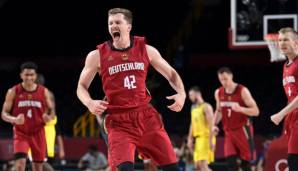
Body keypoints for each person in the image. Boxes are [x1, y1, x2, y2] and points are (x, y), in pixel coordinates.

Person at [76, 8, 186, 171]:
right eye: (110, 23)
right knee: (125, 168)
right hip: (119, 122)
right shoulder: (96, 55)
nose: (113, 26)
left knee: (173, 168)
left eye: (118, 22)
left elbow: (171, 74)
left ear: (128, 26)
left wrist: (182, 94)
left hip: (146, 117)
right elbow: (81, 87)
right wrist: (89, 102)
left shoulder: (147, 50)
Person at [1, 61, 55, 171]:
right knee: (20, 165)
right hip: (21, 133)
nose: (29, 77)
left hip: (38, 134)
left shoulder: (44, 92)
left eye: (31, 75)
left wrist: (49, 116)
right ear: (21, 75)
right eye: (26, 74)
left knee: (38, 168)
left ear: (35, 76)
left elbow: (52, 111)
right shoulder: (13, 91)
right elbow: (4, 113)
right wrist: (14, 119)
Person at [213, 67, 259, 171]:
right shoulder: (218, 92)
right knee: (231, 164)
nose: (224, 82)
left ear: (231, 76)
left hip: (243, 130)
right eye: (221, 79)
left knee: (246, 165)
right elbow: (219, 111)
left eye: (225, 79)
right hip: (228, 132)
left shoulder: (242, 91)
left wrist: (241, 109)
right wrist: (214, 125)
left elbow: (256, 111)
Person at [270, 27, 298, 171]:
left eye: (286, 39)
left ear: (296, 42)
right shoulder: (286, 66)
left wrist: (281, 114)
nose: (281, 43)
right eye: (280, 40)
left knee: (293, 160)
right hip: (293, 117)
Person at [36, 74, 66, 170]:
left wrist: (61, 150)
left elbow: (53, 115)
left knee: (41, 162)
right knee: (37, 162)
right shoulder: (35, 94)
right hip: (40, 128)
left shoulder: (47, 94)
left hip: (46, 128)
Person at [187, 86, 215, 171]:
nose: (190, 97)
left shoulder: (206, 107)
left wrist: (211, 140)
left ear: (197, 94)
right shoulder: (193, 108)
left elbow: (211, 125)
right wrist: (189, 139)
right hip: (198, 140)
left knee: (203, 166)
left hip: (206, 138)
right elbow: (192, 124)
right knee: (198, 167)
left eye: (191, 95)